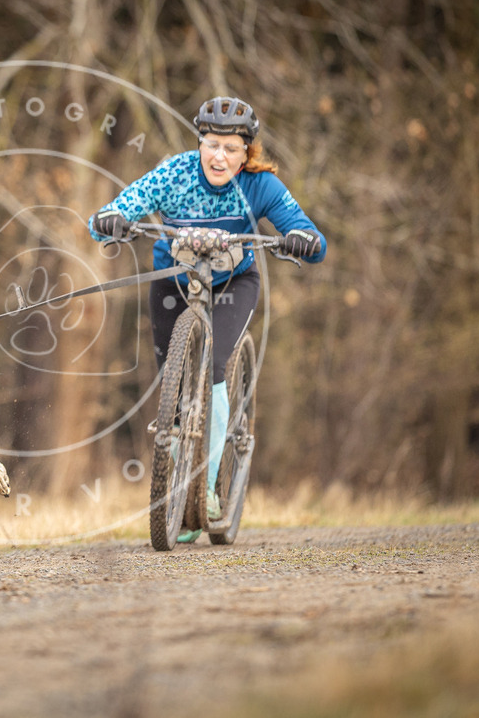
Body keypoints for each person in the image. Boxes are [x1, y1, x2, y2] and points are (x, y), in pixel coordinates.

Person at [88, 95, 326, 540]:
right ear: (200, 143)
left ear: (246, 153)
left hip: (234, 283)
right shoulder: (175, 173)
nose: (220, 156)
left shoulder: (261, 186)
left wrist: (301, 240)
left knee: (214, 370)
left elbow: (308, 232)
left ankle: (209, 489)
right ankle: (178, 488)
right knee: (174, 388)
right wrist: (113, 218)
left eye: (231, 148)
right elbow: (130, 201)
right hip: (174, 279)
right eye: (212, 144)